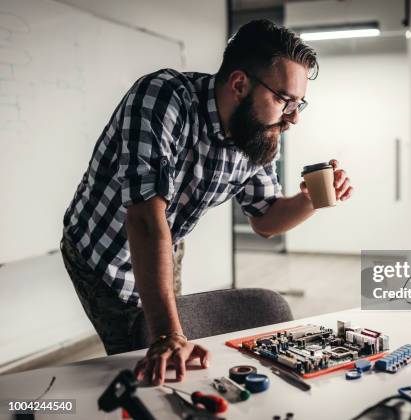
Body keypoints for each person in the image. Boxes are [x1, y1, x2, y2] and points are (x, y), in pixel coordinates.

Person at [60, 19, 353, 385]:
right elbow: (145, 219)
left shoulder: (257, 134)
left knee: (173, 353)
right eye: (284, 100)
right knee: (142, 360)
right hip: (100, 249)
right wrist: (166, 336)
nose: (293, 118)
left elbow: (266, 219)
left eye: (299, 104)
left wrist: (311, 201)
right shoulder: (162, 97)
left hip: (166, 244)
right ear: (239, 84)